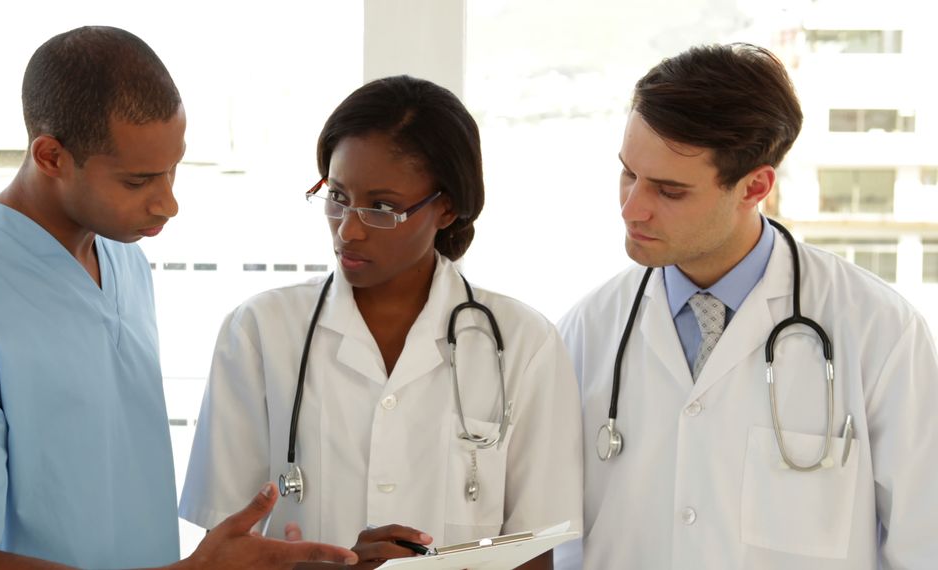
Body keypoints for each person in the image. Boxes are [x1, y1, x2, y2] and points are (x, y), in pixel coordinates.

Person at [0, 26, 355, 570]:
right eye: (138, 180)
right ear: (51, 156)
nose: (168, 204)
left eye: (173, 168)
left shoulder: (122, 259)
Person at [556, 43, 938, 569]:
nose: (631, 208)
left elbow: (924, 543)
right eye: (628, 174)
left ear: (754, 186)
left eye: (669, 191)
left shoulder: (879, 332)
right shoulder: (587, 330)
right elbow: (558, 541)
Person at [178, 75, 583, 569]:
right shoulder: (260, 330)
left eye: (383, 208)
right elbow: (220, 550)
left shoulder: (524, 343)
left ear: (447, 207)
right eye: (339, 197)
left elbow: (534, 552)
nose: (349, 230)